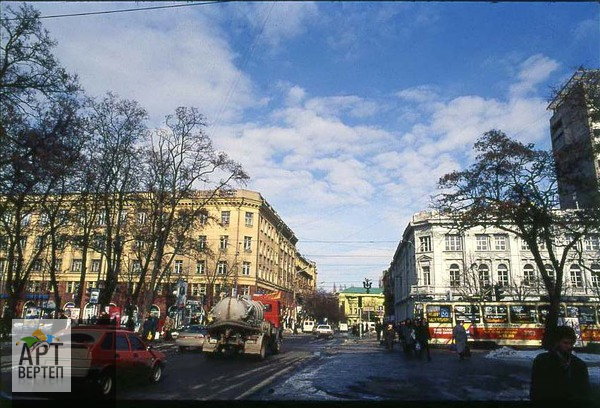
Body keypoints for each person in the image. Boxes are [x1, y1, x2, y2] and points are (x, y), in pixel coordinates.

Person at [530, 325, 591, 401]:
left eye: (571, 343)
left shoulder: (579, 365)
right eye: (565, 343)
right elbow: (536, 389)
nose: (569, 347)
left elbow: (584, 391)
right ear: (557, 343)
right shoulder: (543, 361)